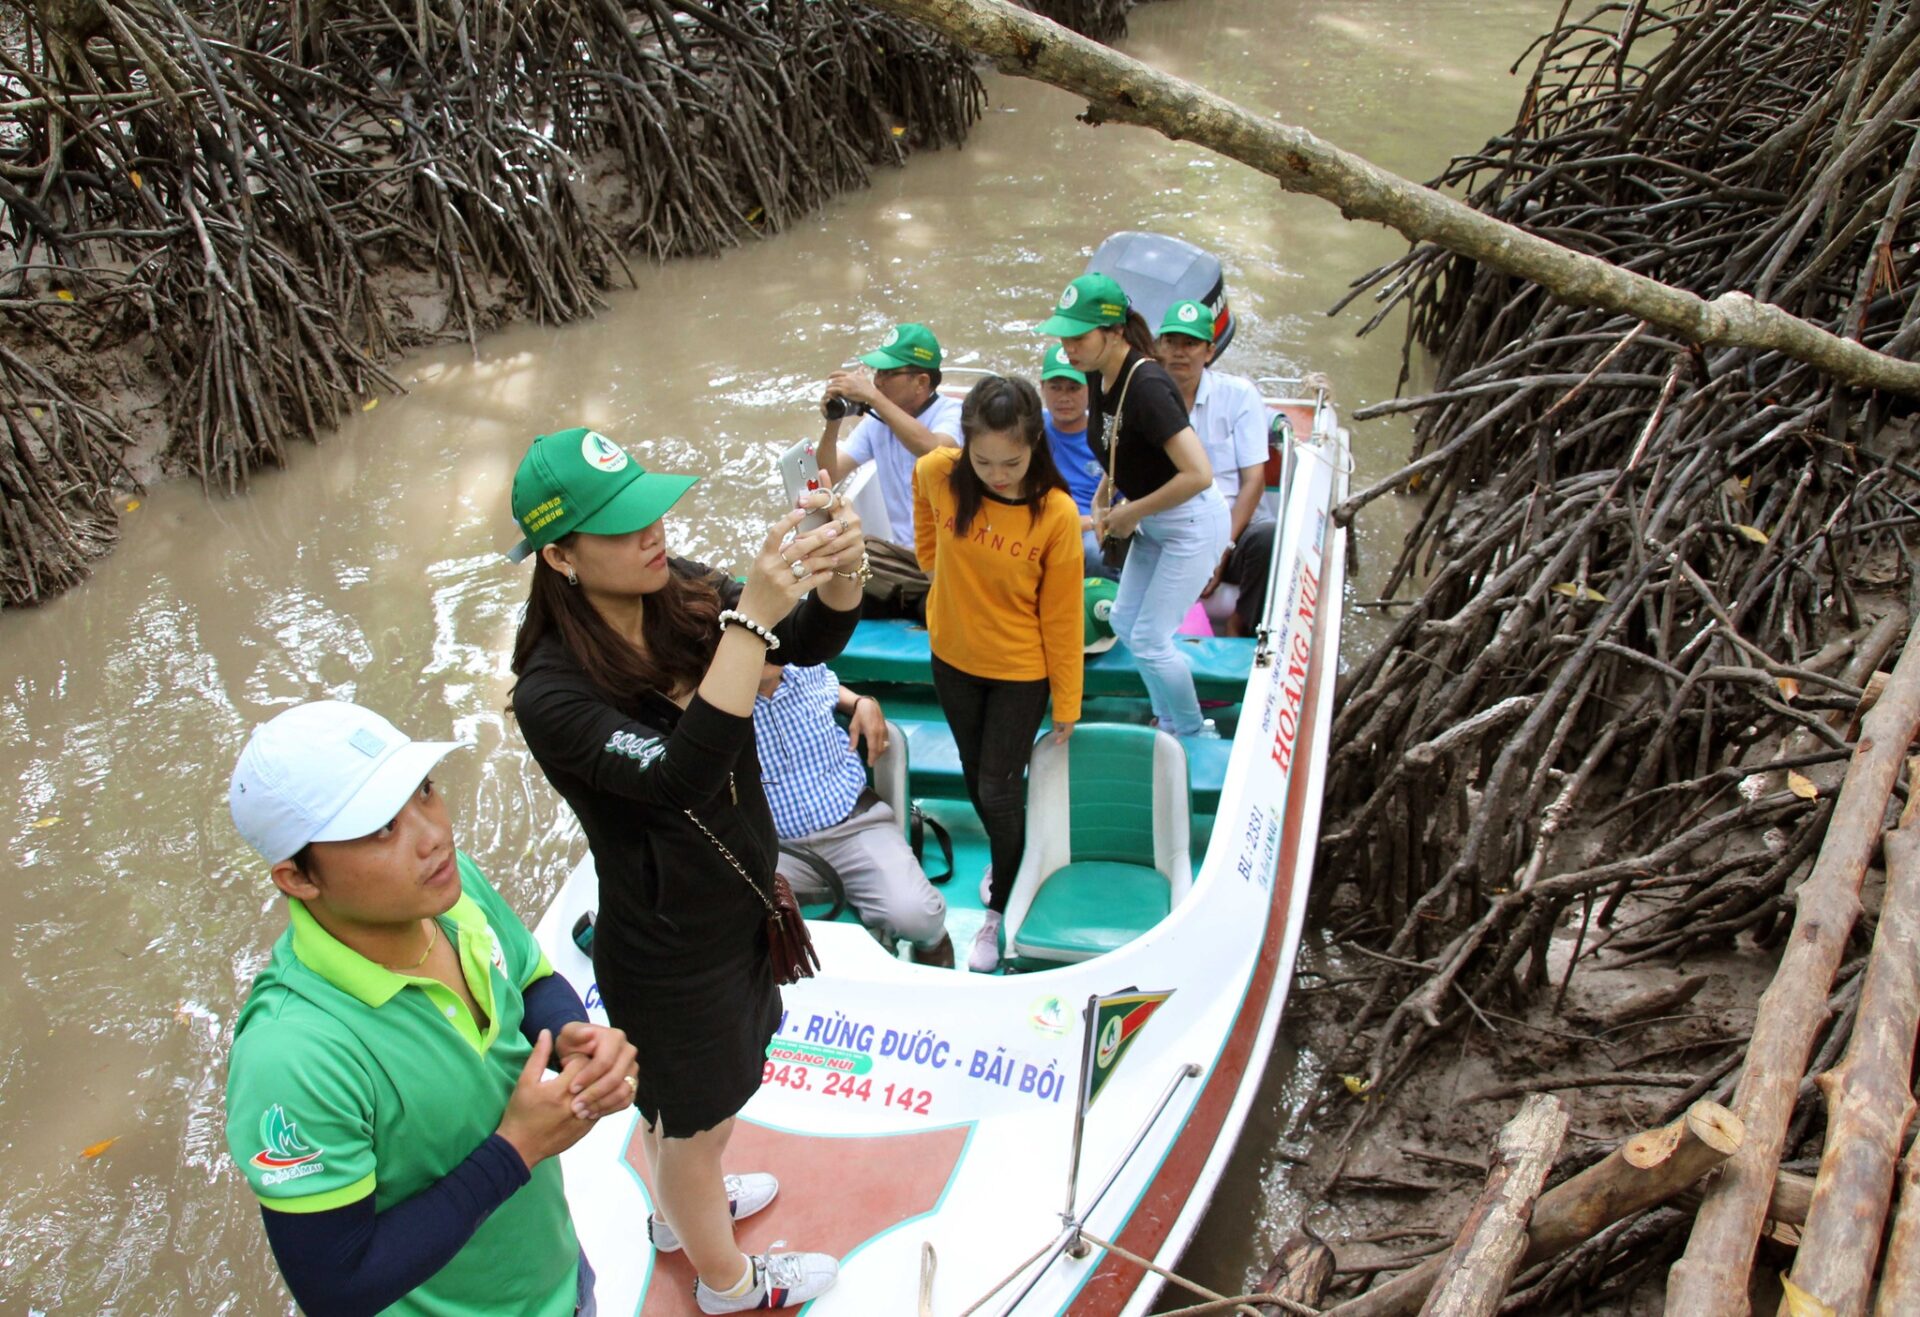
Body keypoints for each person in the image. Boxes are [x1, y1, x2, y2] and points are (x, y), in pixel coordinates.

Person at [507, 425, 865, 1314]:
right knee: (695, 1122)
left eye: (650, 510)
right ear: (560, 556)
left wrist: (843, 569)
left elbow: (806, 642)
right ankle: (729, 1284)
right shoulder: (551, 692)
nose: (652, 533)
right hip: (668, 950)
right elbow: (679, 778)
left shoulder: (678, 592)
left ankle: (681, 1211)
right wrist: (750, 621)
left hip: (737, 908)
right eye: (622, 526)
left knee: (692, 1114)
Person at [223, 700, 637, 1317]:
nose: (432, 834)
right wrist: (516, 1149)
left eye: (423, 791)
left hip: (560, 1278)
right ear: (298, 878)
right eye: (382, 827)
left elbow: (527, 981)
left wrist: (570, 1034)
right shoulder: (294, 1054)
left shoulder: (452, 889)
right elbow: (337, 1286)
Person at [912, 376, 1085, 973]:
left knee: (996, 788)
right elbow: (927, 530)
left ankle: (1000, 909)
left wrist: (1067, 701)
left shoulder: (1056, 514)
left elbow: (1062, 616)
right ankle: (1011, 853)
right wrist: (932, 561)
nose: (997, 473)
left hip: (1019, 670)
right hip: (952, 658)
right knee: (972, 770)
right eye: (982, 460)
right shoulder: (939, 472)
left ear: (1035, 443)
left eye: (1011, 461)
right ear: (965, 447)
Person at [1039, 273, 1230, 737]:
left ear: (1115, 331)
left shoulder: (1147, 386)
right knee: (1125, 620)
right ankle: (1167, 717)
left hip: (1190, 523)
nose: (1069, 348)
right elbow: (1121, 442)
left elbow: (1198, 473)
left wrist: (1131, 511)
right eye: (1064, 336)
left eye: (1079, 336)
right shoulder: (1097, 374)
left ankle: (1189, 729)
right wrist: (1107, 492)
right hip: (1152, 520)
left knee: (1149, 638)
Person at [753, 662, 953, 967]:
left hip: (853, 825)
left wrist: (864, 701)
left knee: (918, 916)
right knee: (726, 918)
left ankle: (934, 952)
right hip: (775, 847)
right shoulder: (715, 696)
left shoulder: (805, 667)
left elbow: (834, 690)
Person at [1152, 299, 1271, 621]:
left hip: (1231, 525)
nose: (1179, 352)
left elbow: (1254, 482)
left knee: (1266, 538)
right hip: (1171, 524)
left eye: (1190, 343)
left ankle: (1243, 625)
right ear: (1158, 347)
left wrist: (1221, 549)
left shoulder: (1240, 395)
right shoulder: (1144, 397)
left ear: (1209, 351)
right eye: (1171, 342)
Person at [814, 322, 961, 547]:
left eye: (889, 373)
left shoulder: (951, 413)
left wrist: (872, 396)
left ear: (921, 382)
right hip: (905, 552)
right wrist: (834, 420)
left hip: (952, 550)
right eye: (878, 372)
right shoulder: (878, 422)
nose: (878, 381)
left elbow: (934, 451)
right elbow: (827, 476)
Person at [1038, 344, 1114, 579]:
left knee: (1094, 553)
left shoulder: (1107, 436)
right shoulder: (1031, 428)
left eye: (1073, 388)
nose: (1064, 398)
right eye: (1055, 388)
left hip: (1090, 526)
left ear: (1091, 389)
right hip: (1039, 520)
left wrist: (1087, 521)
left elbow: (1124, 506)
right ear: (1042, 388)